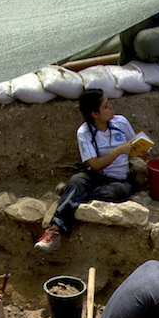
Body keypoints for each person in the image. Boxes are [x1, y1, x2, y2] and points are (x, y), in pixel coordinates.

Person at [34, 89, 143, 253]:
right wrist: (119, 150)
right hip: (95, 175)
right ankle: (55, 231)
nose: (111, 108)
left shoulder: (121, 123)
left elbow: (136, 147)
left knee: (120, 192)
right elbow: (94, 165)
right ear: (95, 114)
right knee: (78, 180)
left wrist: (143, 152)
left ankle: (70, 193)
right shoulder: (84, 132)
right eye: (106, 107)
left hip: (119, 179)